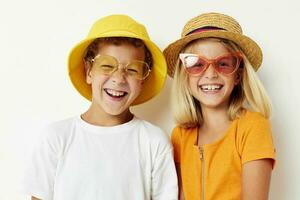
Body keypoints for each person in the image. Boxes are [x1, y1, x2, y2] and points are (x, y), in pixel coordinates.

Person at [22, 14, 178, 200]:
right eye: (106, 65)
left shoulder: (154, 141)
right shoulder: (57, 137)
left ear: (143, 79)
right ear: (89, 71)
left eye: (133, 69)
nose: (119, 78)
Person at [163, 12, 276, 200]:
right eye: (197, 64)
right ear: (185, 76)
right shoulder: (180, 135)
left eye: (223, 64)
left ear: (238, 75)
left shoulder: (253, 127)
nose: (210, 75)